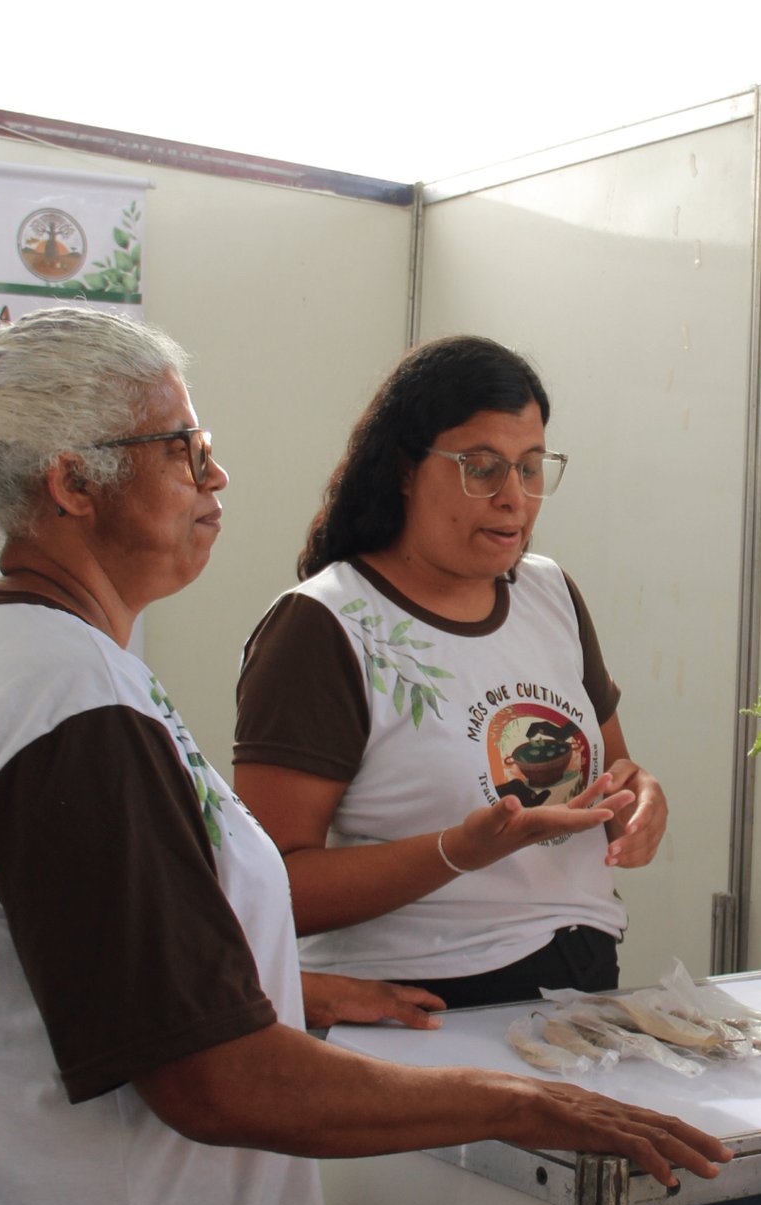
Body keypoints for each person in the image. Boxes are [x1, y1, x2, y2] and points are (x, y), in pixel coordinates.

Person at [0, 308, 728, 1205]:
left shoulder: (22, 664)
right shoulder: (66, 702)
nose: (218, 476)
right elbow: (212, 1080)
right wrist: (520, 1104)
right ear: (71, 483)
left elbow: (80, 956)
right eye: (183, 448)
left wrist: (287, 984)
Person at [233, 335, 666, 1009]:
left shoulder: (548, 593)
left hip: (580, 982)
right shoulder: (327, 624)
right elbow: (268, 886)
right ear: (404, 468)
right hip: (423, 1004)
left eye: (530, 468)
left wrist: (637, 805)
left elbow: (614, 777)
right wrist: (457, 851)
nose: (513, 498)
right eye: (480, 467)